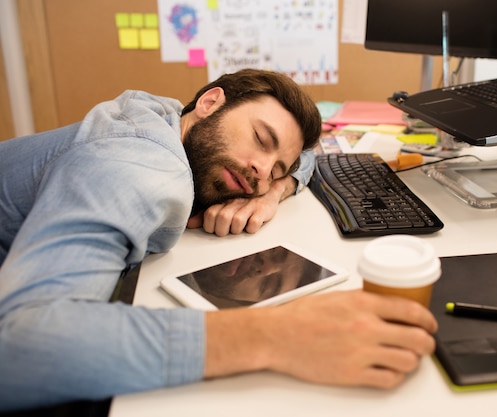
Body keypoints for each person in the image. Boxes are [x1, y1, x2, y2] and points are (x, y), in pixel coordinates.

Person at [0, 69, 437, 412]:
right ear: (210, 102)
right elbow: (16, 346)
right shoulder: (135, 164)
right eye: (261, 140)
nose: (260, 172)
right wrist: (277, 336)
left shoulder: (171, 118)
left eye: (275, 167)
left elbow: (306, 157)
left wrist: (276, 190)